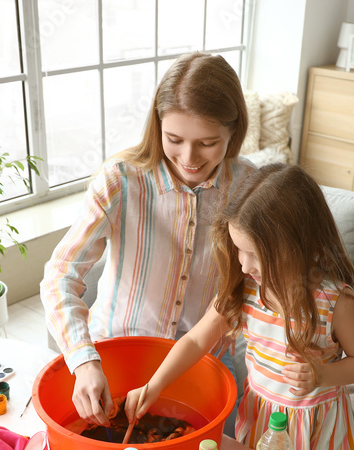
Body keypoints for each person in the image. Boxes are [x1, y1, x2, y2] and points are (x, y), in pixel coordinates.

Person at [124, 164, 354, 450]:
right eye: (238, 250)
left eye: (255, 254)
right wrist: (154, 384)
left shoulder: (336, 302)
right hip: (260, 417)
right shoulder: (245, 289)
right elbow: (197, 339)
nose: (243, 265)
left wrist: (321, 374)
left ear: (299, 245)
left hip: (311, 428)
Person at [41, 52, 255, 428]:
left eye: (208, 143)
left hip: (205, 364)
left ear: (233, 134)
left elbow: (254, 283)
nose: (188, 158)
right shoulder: (119, 180)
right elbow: (60, 275)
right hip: (117, 358)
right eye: (174, 139)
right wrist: (83, 359)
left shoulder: (248, 187)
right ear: (157, 126)